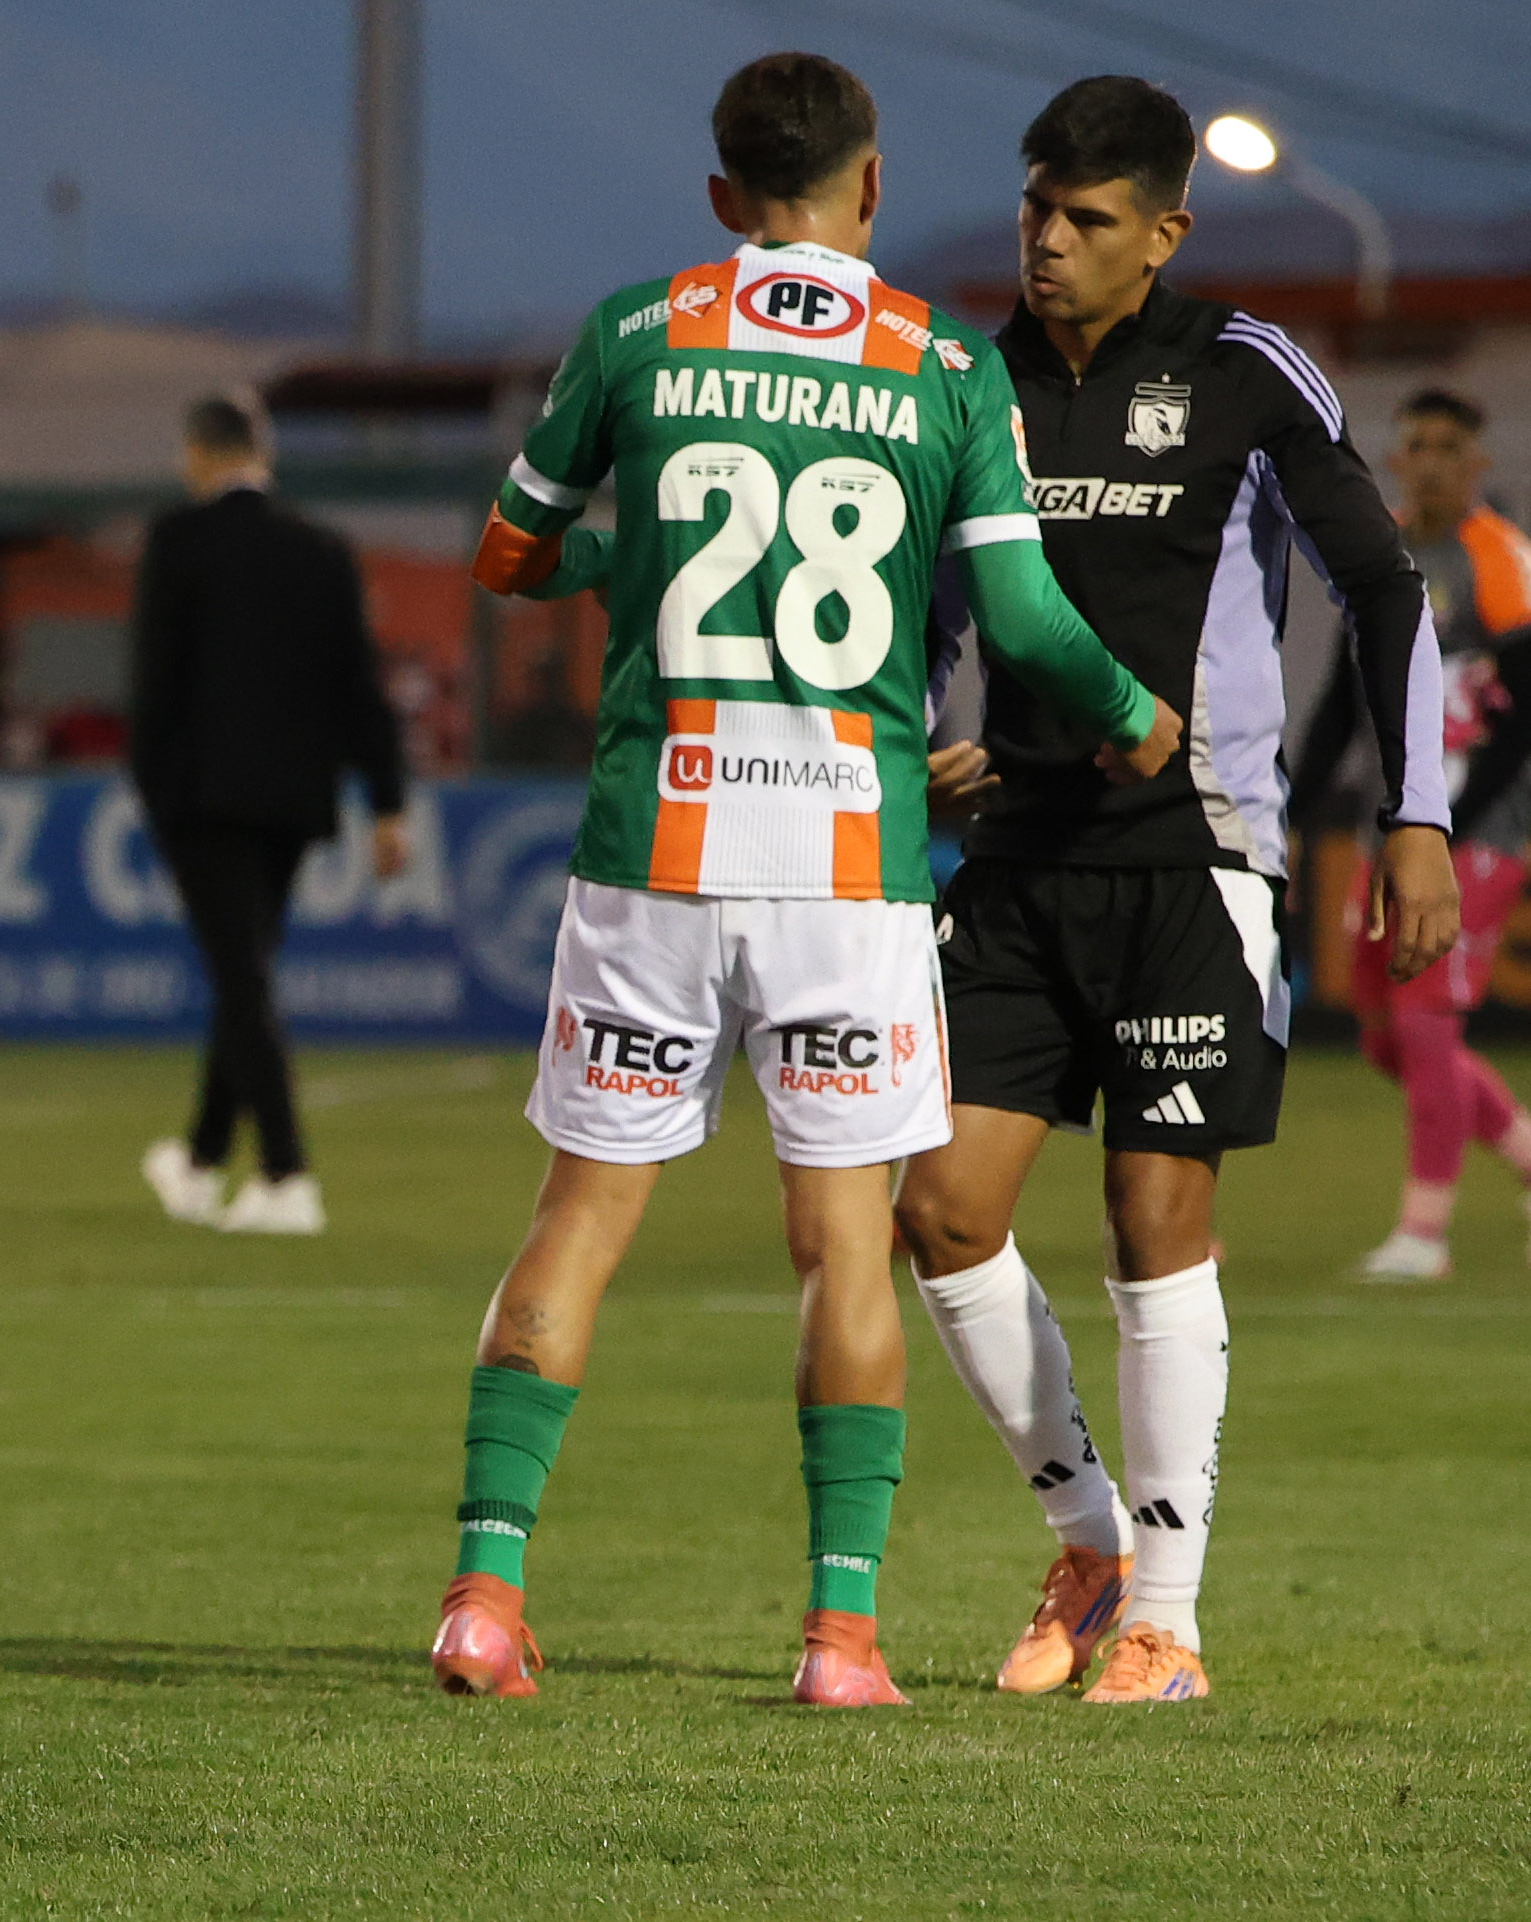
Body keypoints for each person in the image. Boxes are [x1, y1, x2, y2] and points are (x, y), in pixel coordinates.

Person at [429, 52, 1179, 1709]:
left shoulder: (635, 330)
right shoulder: (935, 363)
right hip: (845, 865)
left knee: (577, 1221)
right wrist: (1134, 715)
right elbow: (1035, 628)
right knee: (844, 1245)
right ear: (872, 184)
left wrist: (624, 550)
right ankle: (839, 1638)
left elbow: (503, 554)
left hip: (653, 852)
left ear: (719, 197)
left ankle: (484, 1597)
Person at [896, 78, 1457, 1706]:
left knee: (1154, 1220)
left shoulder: (1240, 371)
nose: (1047, 244)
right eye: (1032, 211)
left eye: (1083, 220)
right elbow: (934, 601)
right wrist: (942, 725)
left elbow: (1378, 582)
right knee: (935, 1209)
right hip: (1011, 859)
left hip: (1192, 855)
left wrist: (1412, 815)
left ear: (1162, 230)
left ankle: (1168, 1620)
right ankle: (1089, 1541)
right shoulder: (966, 381)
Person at [130, 391, 409, 1236]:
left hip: (207, 801)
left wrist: (158, 796)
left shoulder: (178, 542)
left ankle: (287, 1174)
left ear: (201, 454)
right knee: (243, 974)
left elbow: (155, 687)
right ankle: (202, 1160)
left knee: (242, 978)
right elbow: (360, 686)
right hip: (295, 801)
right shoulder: (320, 549)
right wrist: (387, 801)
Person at [1290, 389, 1531, 1279]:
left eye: (1447, 447)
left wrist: (1454, 829)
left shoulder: (1500, 562)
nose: (1428, 459)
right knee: (1381, 1032)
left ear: (1475, 466)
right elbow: (1338, 702)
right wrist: (1296, 813)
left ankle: (1423, 1234)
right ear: (1396, 458)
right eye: (1416, 443)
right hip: (1393, 831)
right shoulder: (1378, 552)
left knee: (1426, 1024)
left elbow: (1523, 719)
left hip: (1477, 829)